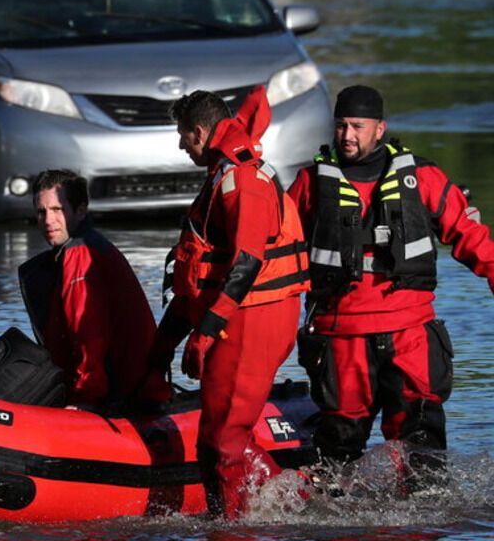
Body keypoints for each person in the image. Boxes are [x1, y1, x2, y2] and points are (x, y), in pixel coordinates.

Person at [285, 86, 494, 470]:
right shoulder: (310, 183)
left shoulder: (423, 177)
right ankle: (339, 528)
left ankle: (421, 528)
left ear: (379, 129)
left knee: (423, 452)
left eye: (357, 127)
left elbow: (470, 236)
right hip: (342, 336)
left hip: (409, 332)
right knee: (337, 456)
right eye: (341, 126)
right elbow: (276, 250)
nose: (347, 136)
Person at [149, 88, 308, 517]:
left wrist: (205, 332)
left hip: (251, 317)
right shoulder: (224, 174)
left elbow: (247, 263)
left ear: (199, 132)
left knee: (221, 442)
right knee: (223, 435)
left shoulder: (242, 181)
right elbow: (204, 270)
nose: (182, 146)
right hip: (241, 315)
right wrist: (165, 344)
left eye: (183, 136)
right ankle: (294, 506)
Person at [16, 170, 166, 413]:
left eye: (58, 210)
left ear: (81, 211)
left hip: (123, 399)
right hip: (128, 390)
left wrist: (86, 399)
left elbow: (89, 335)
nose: (48, 220)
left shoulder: (81, 255)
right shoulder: (80, 251)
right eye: (41, 212)